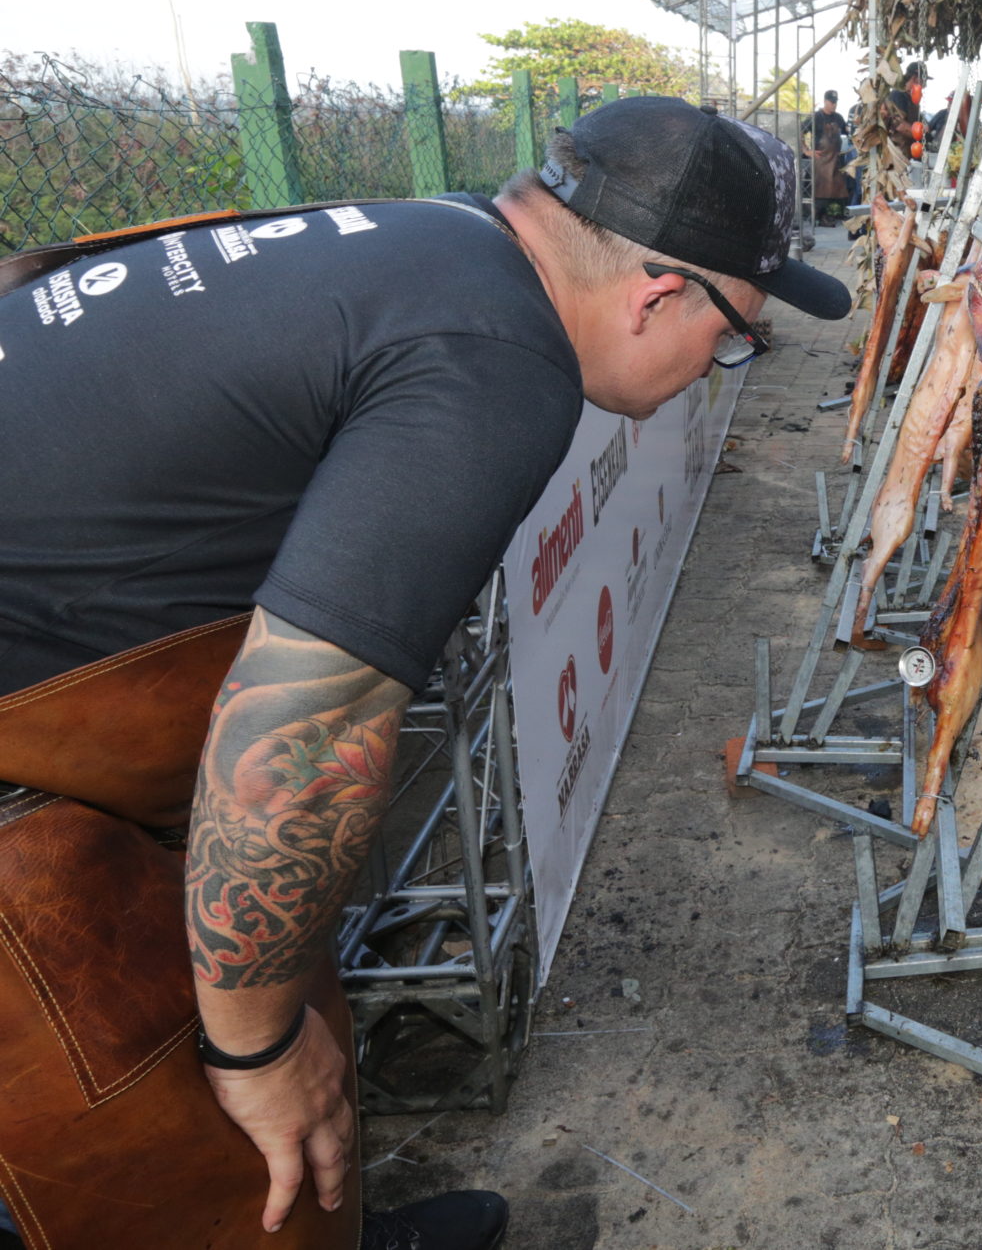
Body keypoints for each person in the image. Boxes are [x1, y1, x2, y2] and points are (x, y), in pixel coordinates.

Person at [0, 97, 852, 1249]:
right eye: (735, 333)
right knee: (159, 1147)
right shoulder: (495, 358)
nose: (721, 365)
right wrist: (251, 1050)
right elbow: (303, 733)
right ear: (658, 291)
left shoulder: (430, 240)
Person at [806, 90, 850, 222]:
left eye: (835, 102)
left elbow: (847, 132)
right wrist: (807, 151)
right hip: (821, 159)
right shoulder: (816, 117)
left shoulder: (838, 118)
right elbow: (800, 130)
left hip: (835, 158)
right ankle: (820, 216)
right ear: (825, 101)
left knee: (840, 187)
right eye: (831, 102)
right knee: (822, 188)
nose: (834, 105)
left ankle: (838, 213)